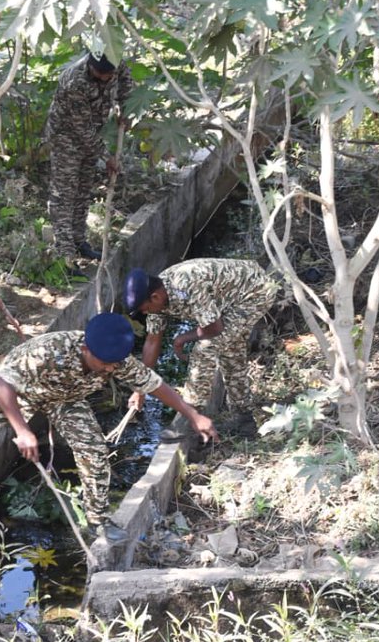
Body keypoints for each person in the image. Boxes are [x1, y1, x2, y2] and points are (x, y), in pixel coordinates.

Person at [0, 314, 217, 541]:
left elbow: (155, 385)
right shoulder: (47, 353)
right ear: (85, 348)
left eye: (115, 365)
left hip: (65, 399)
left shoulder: (115, 359)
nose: (110, 370)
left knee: (94, 450)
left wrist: (192, 415)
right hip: (17, 393)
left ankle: (97, 520)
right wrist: (22, 430)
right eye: (104, 364)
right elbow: (1, 383)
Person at [124, 258, 281, 423]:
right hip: (227, 303)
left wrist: (181, 339)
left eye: (145, 309)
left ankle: (189, 418)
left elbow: (214, 328)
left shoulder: (186, 284)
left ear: (155, 297)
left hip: (254, 293)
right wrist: (141, 389)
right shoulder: (157, 301)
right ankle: (244, 416)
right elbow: (152, 341)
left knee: (205, 349)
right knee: (231, 351)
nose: (146, 313)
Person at [45, 52, 133, 261]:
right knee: (65, 194)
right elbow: (82, 129)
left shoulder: (115, 60)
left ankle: (78, 241)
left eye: (108, 75)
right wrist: (107, 157)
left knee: (83, 190)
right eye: (99, 74)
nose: (104, 79)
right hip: (66, 136)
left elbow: (126, 83)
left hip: (94, 131)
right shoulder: (74, 82)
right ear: (90, 66)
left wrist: (126, 109)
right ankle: (65, 253)